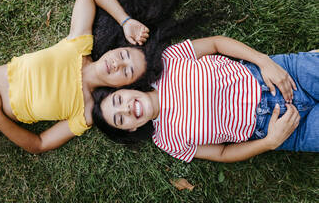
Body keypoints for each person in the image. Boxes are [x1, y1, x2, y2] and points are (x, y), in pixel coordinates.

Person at [0, 0, 212, 153]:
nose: (118, 63)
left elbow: (39, 144)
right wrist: (125, 20)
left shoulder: (86, 113)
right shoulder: (78, 45)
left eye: (127, 71)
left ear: (126, 86)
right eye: (124, 54)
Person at [92, 36, 319, 163]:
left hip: (280, 74)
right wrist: (269, 143)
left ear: (126, 88)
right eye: (120, 120)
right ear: (131, 129)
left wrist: (264, 61)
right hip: (281, 128)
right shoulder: (166, 141)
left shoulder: (168, 60)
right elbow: (222, 153)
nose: (126, 109)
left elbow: (216, 44)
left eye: (118, 100)